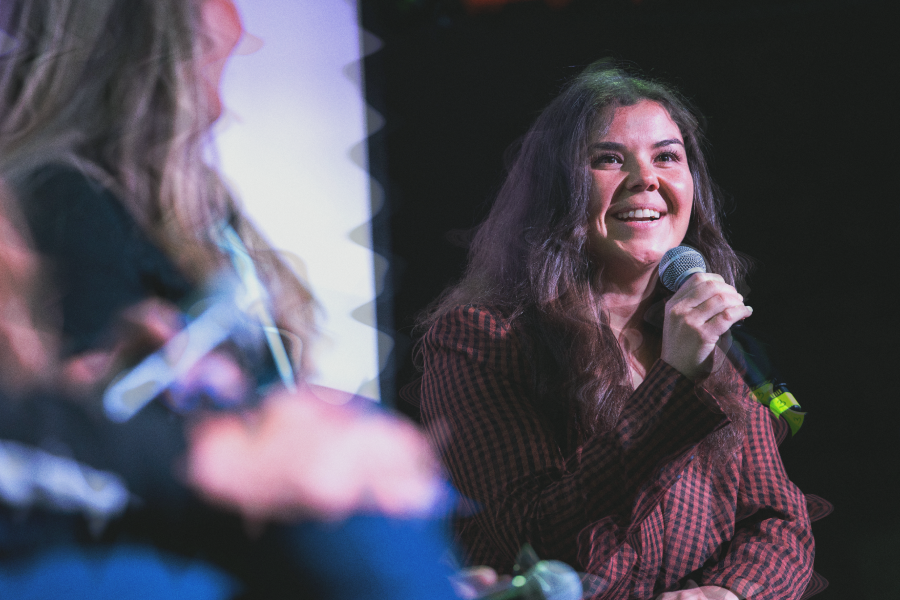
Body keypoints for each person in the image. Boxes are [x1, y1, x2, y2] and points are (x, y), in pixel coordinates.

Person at [0, 1, 459, 598]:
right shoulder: (68, 201)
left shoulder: (198, 214)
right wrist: (210, 452)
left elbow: (89, 414)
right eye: (210, 61)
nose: (219, 106)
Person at [413, 60, 818, 600]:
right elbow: (535, 537)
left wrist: (724, 593)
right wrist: (674, 380)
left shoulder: (708, 346)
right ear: (557, 190)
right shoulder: (479, 338)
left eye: (667, 157)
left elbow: (781, 521)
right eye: (608, 158)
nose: (646, 179)